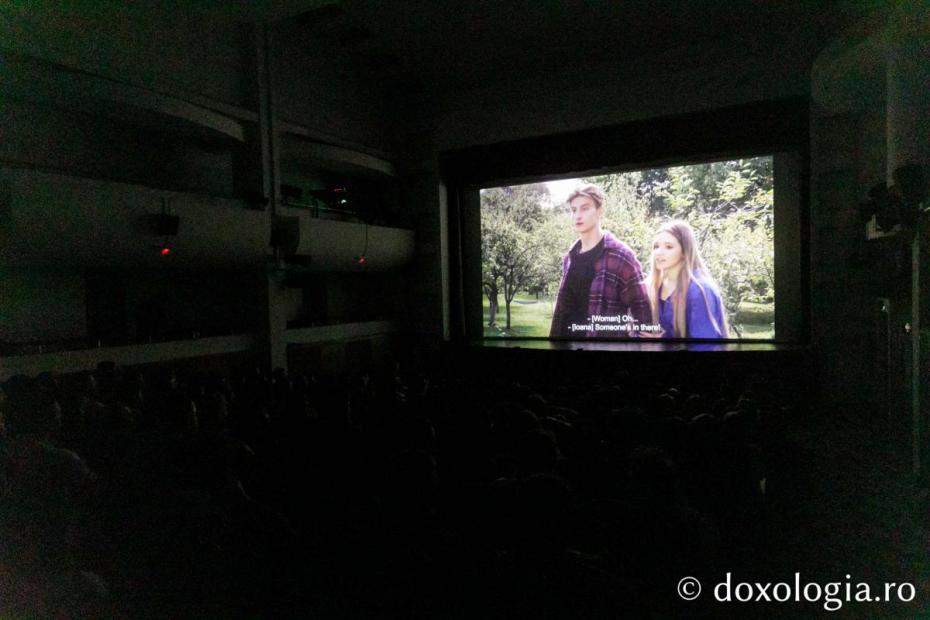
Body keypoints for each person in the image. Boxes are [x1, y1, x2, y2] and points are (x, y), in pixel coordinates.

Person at [549, 184, 651, 338]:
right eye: (573, 210)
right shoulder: (570, 257)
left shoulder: (621, 255)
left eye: (585, 208)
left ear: (600, 211)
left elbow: (642, 312)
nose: (577, 216)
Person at [645, 220, 728, 339]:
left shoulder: (699, 290)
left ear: (684, 252)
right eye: (656, 246)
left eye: (668, 247)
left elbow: (704, 345)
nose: (659, 252)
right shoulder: (654, 285)